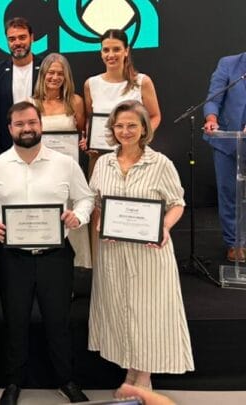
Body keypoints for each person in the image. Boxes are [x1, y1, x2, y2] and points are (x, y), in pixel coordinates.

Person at [0, 101, 93, 405]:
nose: (27, 129)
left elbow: (86, 198)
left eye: (32, 123)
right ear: (10, 128)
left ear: (41, 125)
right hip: (13, 259)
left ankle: (66, 380)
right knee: (15, 322)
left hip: (55, 256)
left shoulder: (65, 163)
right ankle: (14, 382)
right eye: (20, 124)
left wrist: (78, 216)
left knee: (58, 322)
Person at [88, 100, 194, 396]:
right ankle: (130, 370)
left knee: (147, 313)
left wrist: (164, 227)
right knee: (120, 310)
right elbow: (97, 203)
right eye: (119, 126)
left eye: (132, 125)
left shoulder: (160, 164)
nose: (125, 131)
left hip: (149, 252)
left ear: (144, 128)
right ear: (112, 129)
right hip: (113, 252)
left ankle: (143, 378)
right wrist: (101, 222)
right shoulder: (104, 164)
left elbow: (177, 204)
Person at [29, 53, 91, 270]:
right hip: (40, 173)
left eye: (60, 73)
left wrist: (85, 142)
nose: (55, 77)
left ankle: (73, 269)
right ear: (43, 74)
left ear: (66, 77)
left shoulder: (76, 102)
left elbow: (82, 132)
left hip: (68, 173)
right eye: (50, 72)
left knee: (70, 220)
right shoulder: (30, 103)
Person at [82, 28, 161, 155]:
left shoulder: (142, 82)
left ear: (126, 51)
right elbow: (90, 120)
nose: (111, 55)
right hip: (99, 156)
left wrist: (139, 138)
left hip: (133, 154)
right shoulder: (91, 84)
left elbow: (155, 116)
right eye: (106, 50)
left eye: (116, 49)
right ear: (101, 53)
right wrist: (90, 140)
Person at [203, 52, 246, 261]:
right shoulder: (229, 64)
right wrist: (211, 119)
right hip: (228, 142)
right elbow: (213, 99)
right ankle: (234, 243)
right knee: (229, 194)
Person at [0, 17, 41, 153]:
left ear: (32, 38)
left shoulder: (46, 68)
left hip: (42, 143)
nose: (17, 43)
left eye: (22, 37)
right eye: (12, 39)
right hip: (7, 147)